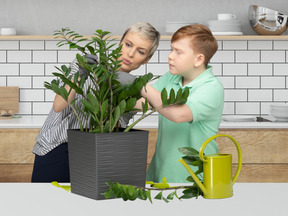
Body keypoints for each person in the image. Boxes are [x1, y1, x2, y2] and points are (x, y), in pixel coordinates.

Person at [31, 22, 160, 182]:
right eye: (128, 44)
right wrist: (80, 74)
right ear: (120, 43)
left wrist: (132, 84)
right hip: (57, 147)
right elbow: (59, 105)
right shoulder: (87, 63)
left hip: (98, 155)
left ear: (146, 59)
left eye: (140, 51)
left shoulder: (134, 87)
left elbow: (159, 104)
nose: (130, 54)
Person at [139, 24, 224, 183]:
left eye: (178, 52)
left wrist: (140, 85)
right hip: (161, 175)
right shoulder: (170, 78)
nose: (171, 56)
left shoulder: (211, 88)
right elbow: (147, 102)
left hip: (196, 181)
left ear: (198, 59)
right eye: (171, 49)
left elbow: (178, 114)